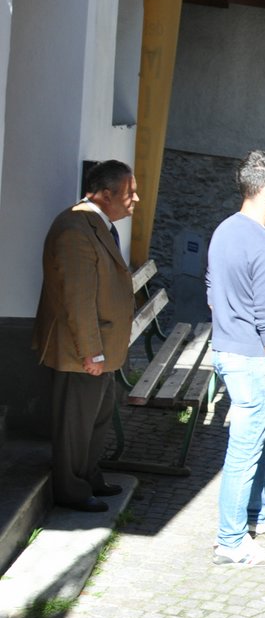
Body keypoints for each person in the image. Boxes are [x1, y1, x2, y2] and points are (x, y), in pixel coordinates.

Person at [208, 151, 265, 567]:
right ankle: (230, 541)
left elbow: (212, 287)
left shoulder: (224, 230)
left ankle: (257, 513)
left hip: (226, 350)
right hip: (249, 359)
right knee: (244, 450)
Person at [33, 160, 138, 513]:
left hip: (102, 347)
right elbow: (78, 297)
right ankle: (71, 489)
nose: (135, 199)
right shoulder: (76, 228)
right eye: (129, 192)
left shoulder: (96, 225)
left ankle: (88, 476)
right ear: (106, 194)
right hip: (82, 351)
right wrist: (90, 352)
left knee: (97, 416)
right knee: (75, 425)